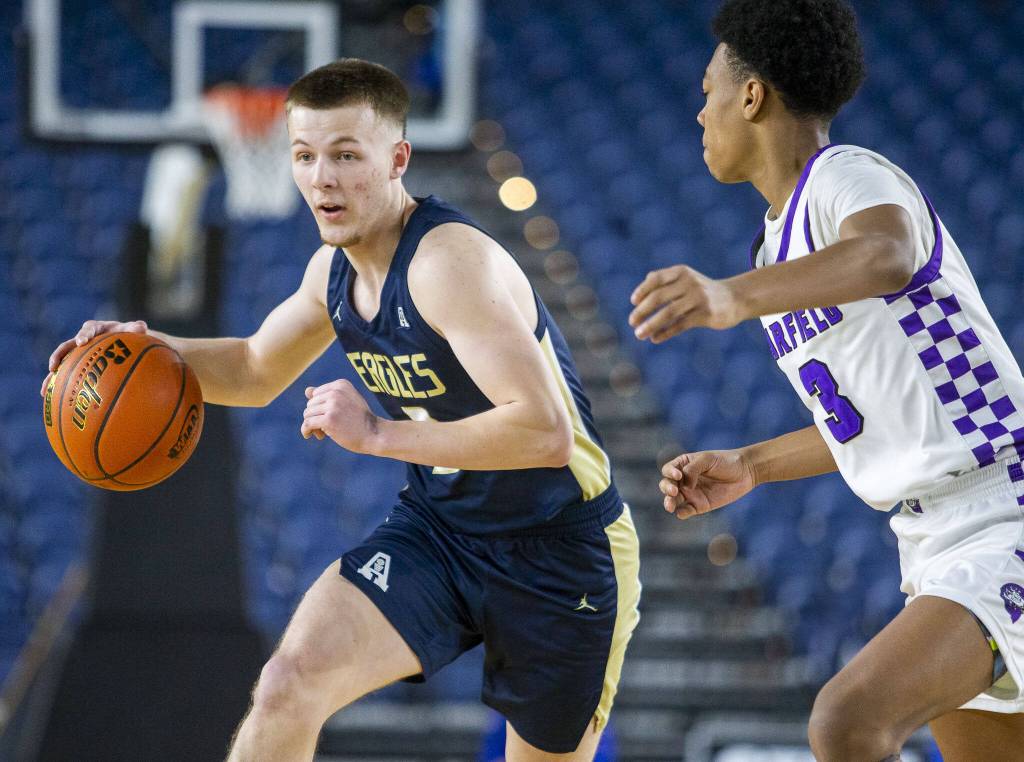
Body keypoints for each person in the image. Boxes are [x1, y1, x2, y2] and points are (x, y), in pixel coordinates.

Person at [42, 59, 640, 761]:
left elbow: (543, 432)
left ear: (398, 159)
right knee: (287, 686)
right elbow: (256, 368)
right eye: (304, 155)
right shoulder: (332, 272)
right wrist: (144, 348)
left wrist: (378, 433)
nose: (321, 178)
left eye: (346, 155)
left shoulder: (447, 264)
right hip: (443, 531)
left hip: (559, 548)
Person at [628, 1, 1024, 759]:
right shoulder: (778, 246)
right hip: (932, 540)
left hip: (1005, 505)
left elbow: (889, 255)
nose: (700, 109)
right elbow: (871, 420)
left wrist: (729, 297)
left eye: (708, 87)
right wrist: (751, 464)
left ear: (751, 96)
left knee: (846, 721)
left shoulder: (848, 174)